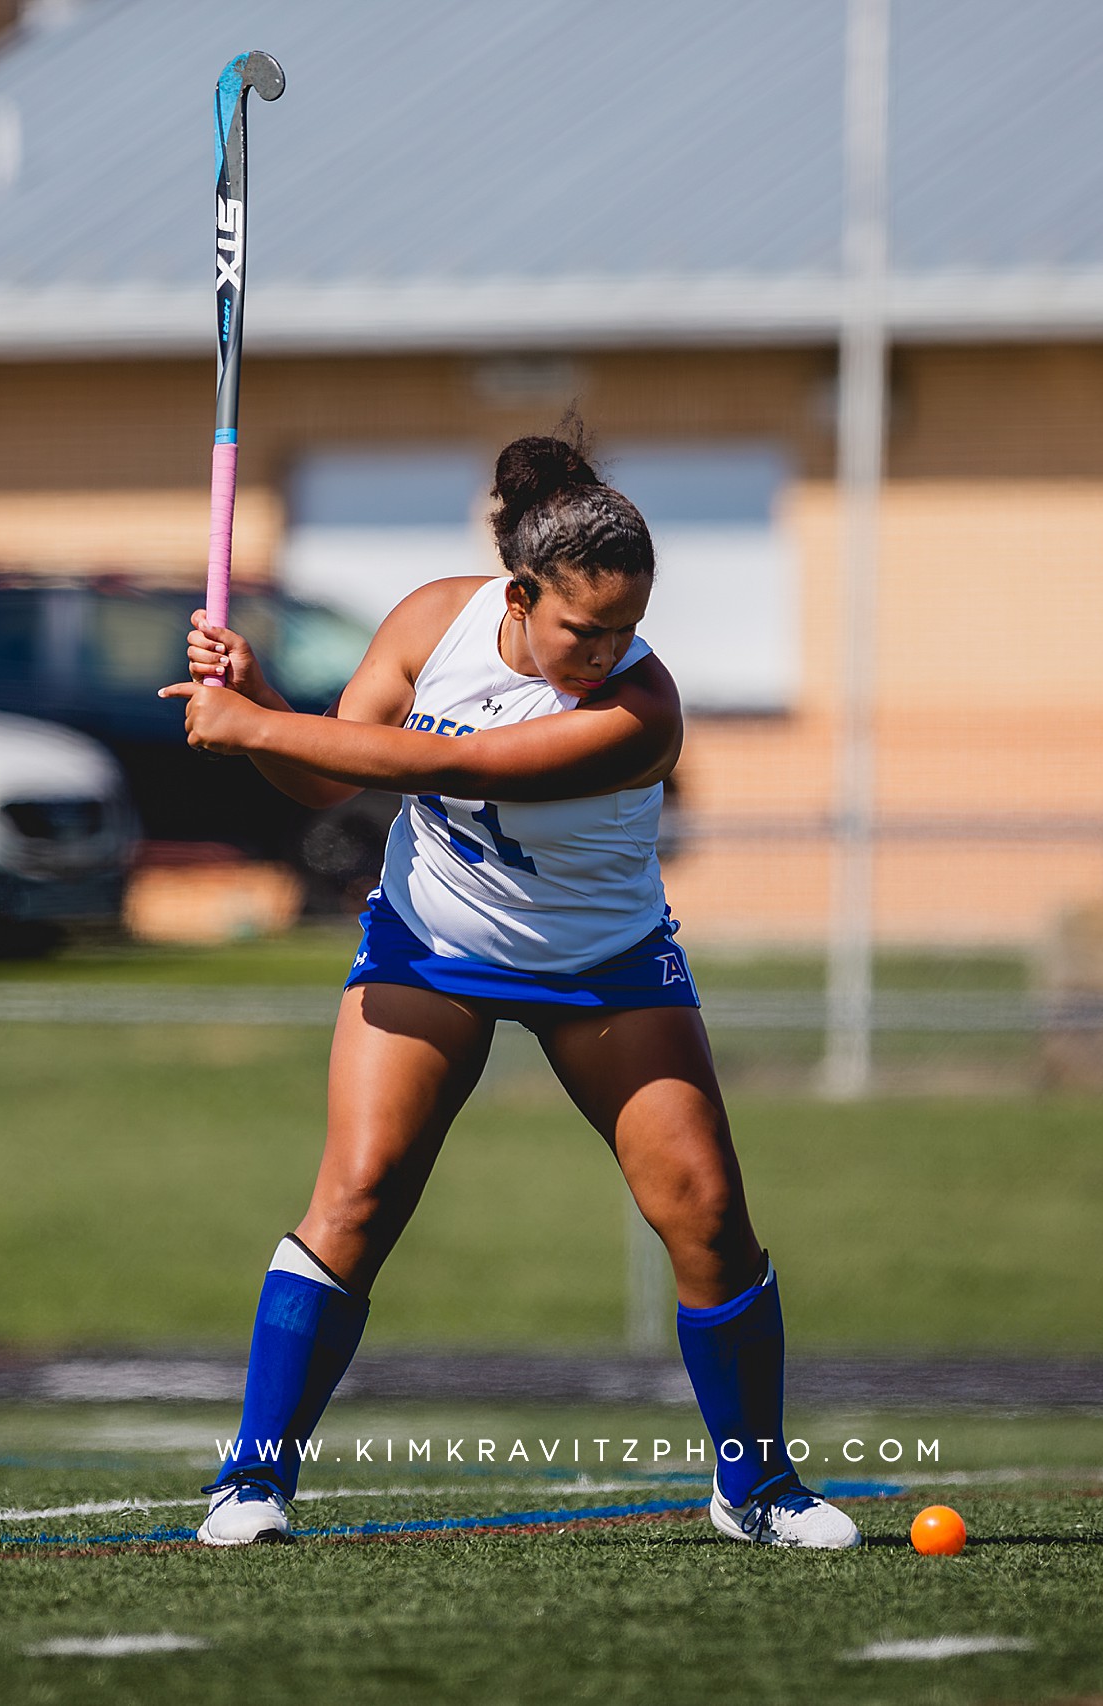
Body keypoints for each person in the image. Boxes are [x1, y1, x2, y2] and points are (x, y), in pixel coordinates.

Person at [159, 431, 860, 1552]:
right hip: (430, 944)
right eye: (585, 626)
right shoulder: (433, 620)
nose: (609, 648)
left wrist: (255, 723)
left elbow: (462, 768)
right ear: (522, 594)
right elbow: (334, 772)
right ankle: (252, 1480)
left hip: (607, 966)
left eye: (629, 625)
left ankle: (757, 1485)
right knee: (359, 1192)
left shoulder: (644, 710)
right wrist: (261, 710)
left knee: (709, 1213)